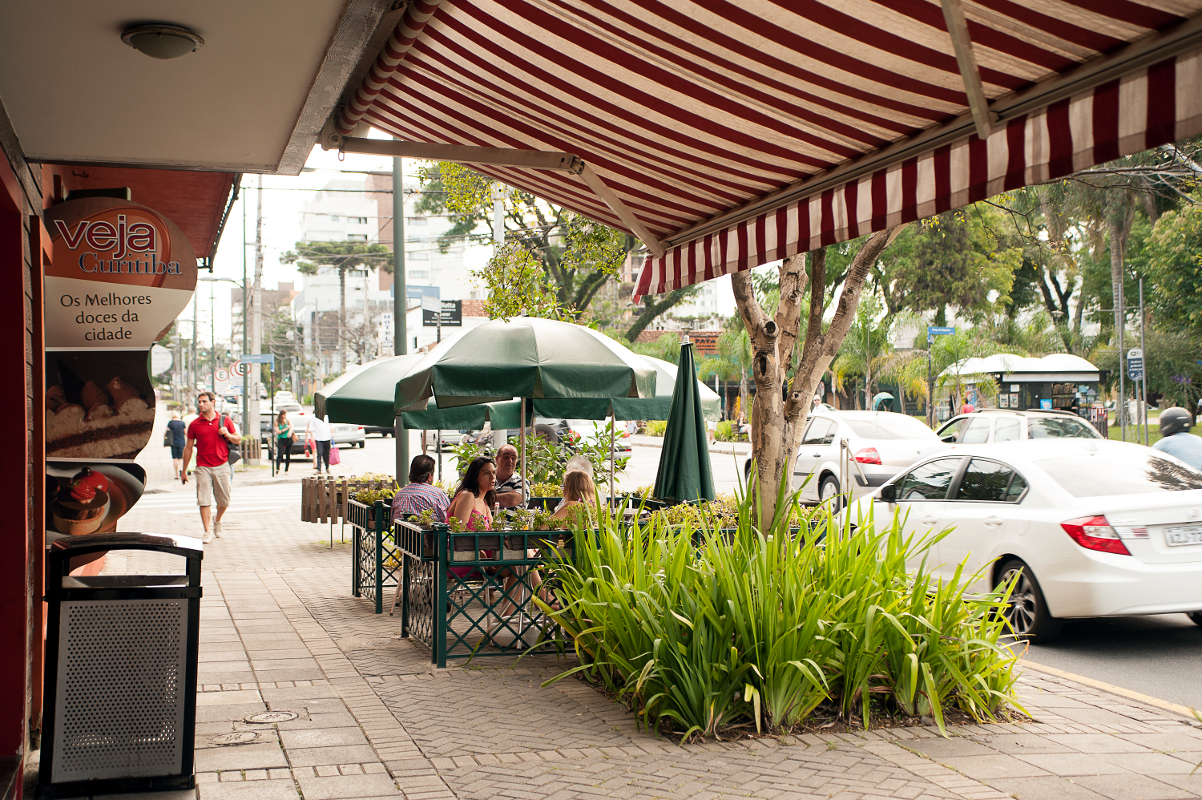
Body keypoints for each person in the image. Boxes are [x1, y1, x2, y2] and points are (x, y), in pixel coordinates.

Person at [180, 391, 238, 542]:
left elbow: (238, 439)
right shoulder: (194, 424)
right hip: (203, 466)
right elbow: (188, 448)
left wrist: (227, 434)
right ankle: (207, 531)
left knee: (224, 501)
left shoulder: (224, 420)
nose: (201, 404)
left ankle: (217, 520)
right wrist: (184, 470)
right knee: (203, 500)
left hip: (222, 465)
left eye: (204, 401)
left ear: (213, 402)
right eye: (199, 402)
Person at [392, 454, 450, 522]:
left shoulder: (399, 495)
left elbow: (392, 521)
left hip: (401, 529)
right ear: (429, 476)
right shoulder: (437, 495)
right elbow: (447, 520)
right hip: (427, 529)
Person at [493, 444, 526, 508]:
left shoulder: (522, 482)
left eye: (513, 458)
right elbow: (475, 500)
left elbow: (511, 500)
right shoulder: (486, 478)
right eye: (506, 457)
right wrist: (508, 495)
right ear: (497, 459)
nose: (510, 461)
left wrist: (485, 498)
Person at [166, 411, 187, 481]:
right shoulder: (182, 423)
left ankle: (176, 474)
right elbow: (185, 433)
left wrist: (165, 441)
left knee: (175, 458)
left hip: (173, 443)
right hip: (181, 442)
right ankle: (181, 469)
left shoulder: (171, 423)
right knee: (180, 458)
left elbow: (166, 432)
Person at [273, 409, 293, 473]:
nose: (284, 416)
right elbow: (278, 431)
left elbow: (291, 427)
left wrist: (289, 432)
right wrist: (285, 429)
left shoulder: (287, 421)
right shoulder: (277, 422)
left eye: (285, 415)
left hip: (288, 438)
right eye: (283, 415)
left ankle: (286, 469)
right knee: (280, 453)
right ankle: (277, 468)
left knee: (288, 454)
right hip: (281, 438)